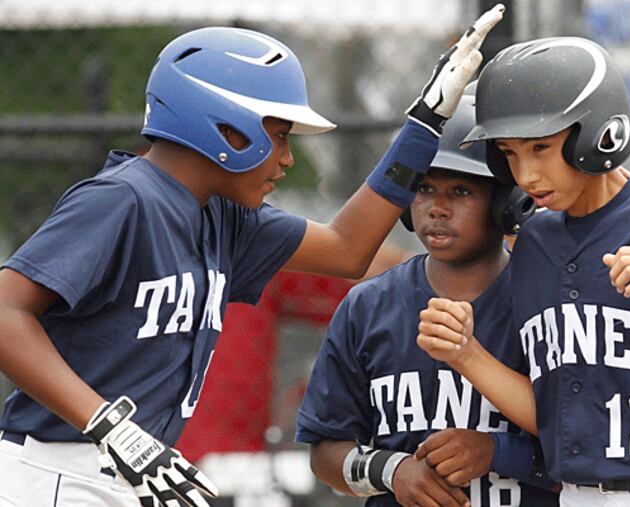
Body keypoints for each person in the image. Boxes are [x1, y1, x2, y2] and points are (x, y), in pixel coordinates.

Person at [0, 7, 505, 507]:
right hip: (57, 470)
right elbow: (6, 311)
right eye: (279, 134)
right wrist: (109, 423)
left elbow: (348, 249)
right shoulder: (123, 198)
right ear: (226, 127)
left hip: (136, 472)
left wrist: (423, 123)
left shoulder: (225, 218)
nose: (286, 158)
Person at [416, 36, 630, 506]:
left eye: (541, 147)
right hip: (580, 495)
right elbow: (558, 415)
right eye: (510, 152)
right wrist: (466, 354)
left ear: (600, 134)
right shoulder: (534, 243)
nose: (527, 175)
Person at [295, 93, 557, 507]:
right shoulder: (368, 306)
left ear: (506, 202)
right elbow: (326, 452)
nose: (437, 207)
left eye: (461, 191)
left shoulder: (546, 302)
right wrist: (393, 471)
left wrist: (497, 452)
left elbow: (589, 446)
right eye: (423, 188)